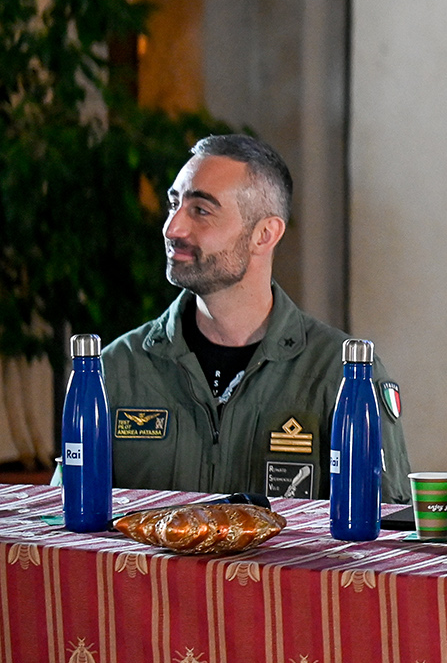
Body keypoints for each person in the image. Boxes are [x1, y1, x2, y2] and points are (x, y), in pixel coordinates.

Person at [99, 134, 411, 501]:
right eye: (173, 204)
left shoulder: (343, 376)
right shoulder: (116, 370)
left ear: (264, 234)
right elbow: (62, 519)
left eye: (201, 211)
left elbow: (384, 526)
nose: (172, 228)